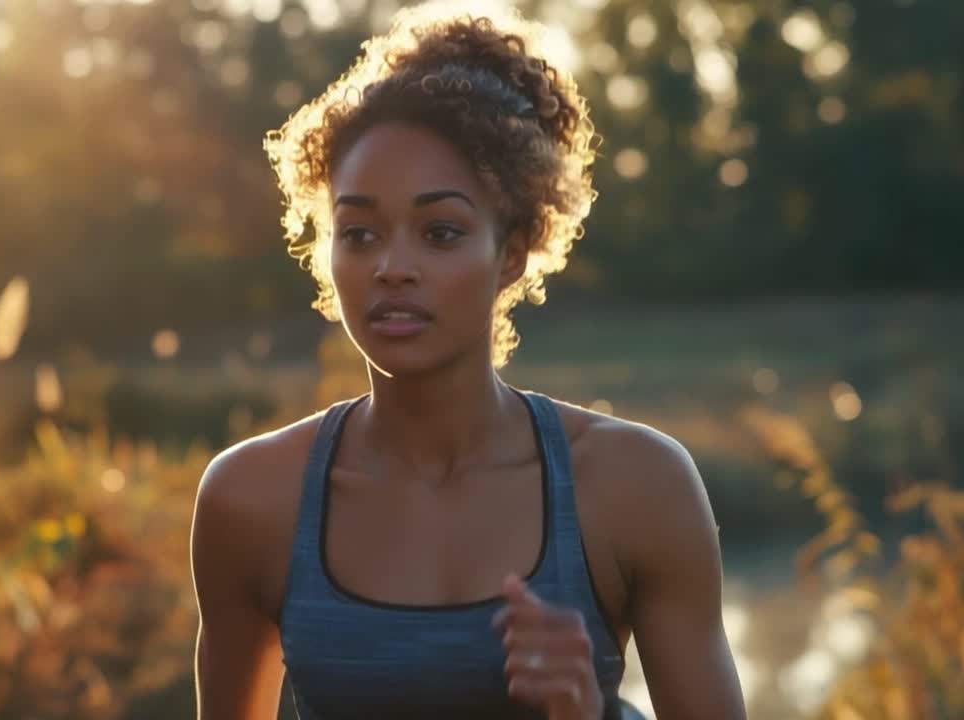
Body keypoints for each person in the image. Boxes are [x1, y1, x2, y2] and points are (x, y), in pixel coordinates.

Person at [190, 4, 747, 719]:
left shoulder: (637, 486)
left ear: (512, 252)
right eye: (358, 233)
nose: (392, 267)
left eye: (441, 231)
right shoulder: (251, 499)